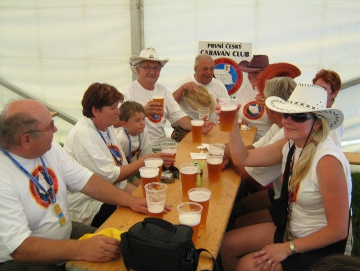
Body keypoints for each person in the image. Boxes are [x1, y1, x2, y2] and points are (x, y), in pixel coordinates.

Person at [0, 99, 149, 270]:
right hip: (21, 260)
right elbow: (20, 248)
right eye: (50, 126)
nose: (55, 129)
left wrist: (131, 201)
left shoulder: (50, 148)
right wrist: (81, 249)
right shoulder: (3, 176)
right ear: (26, 140)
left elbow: (86, 180)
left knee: (124, 249)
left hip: (64, 230)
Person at [218, 84, 352, 271]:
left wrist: (287, 248)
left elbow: (338, 230)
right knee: (226, 245)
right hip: (291, 228)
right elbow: (243, 158)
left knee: (247, 266)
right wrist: (231, 124)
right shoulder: (291, 144)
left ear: (318, 123)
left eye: (298, 116)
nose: (288, 121)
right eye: (286, 114)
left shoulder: (327, 161)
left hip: (319, 245)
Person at [64, 83, 172, 227]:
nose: (118, 112)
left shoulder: (106, 127)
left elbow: (122, 168)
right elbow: (111, 177)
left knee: (156, 205)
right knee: (141, 222)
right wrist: (148, 160)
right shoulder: (85, 134)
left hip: (110, 193)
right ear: (96, 111)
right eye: (113, 108)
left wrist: (144, 195)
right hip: (88, 205)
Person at [224, 77, 297, 229]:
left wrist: (228, 152)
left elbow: (247, 173)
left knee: (239, 224)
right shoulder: (283, 125)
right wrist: (229, 152)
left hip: (292, 206)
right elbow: (253, 150)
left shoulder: (287, 134)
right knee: (246, 204)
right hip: (284, 193)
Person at [121, 48, 214, 150]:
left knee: (193, 154)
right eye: (147, 67)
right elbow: (116, 122)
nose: (152, 71)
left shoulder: (163, 90)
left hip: (161, 143)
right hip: (137, 146)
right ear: (138, 70)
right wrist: (142, 112)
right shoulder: (128, 91)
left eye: (156, 68)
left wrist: (198, 125)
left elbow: (178, 116)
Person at [171, 53, 230, 141]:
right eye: (205, 69)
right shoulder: (184, 81)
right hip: (185, 132)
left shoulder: (219, 85)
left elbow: (227, 110)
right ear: (195, 69)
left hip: (210, 131)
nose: (209, 72)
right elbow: (171, 105)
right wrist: (182, 88)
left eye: (211, 68)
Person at [236, 55, 272, 141]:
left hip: (267, 139)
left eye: (256, 72)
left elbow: (281, 121)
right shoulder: (244, 89)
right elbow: (236, 110)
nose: (252, 75)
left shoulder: (274, 91)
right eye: (250, 72)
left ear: (266, 73)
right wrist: (239, 117)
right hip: (244, 136)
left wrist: (268, 104)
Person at [116, 101, 153, 178]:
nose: (142, 123)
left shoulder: (143, 132)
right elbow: (119, 168)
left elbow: (147, 156)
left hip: (139, 169)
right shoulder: (122, 140)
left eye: (143, 119)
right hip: (126, 174)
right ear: (124, 124)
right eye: (137, 120)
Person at [313, 69, 343, 147]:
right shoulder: (311, 110)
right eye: (316, 88)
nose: (317, 92)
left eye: (323, 89)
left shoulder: (334, 119)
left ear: (334, 93)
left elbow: (333, 147)